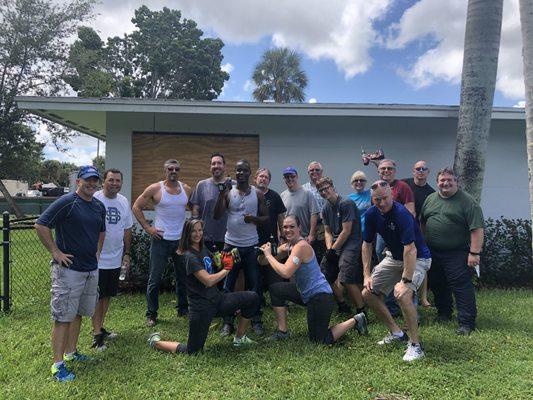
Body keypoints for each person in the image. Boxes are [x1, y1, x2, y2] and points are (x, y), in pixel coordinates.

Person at [35, 165, 106, 381]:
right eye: (87, 180)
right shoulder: (67, 202)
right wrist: (56, 252)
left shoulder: (97, 205)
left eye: (95, 181)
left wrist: (97, 252)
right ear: (78, 182)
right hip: (68, 271)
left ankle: (71, 353)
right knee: (63, 316)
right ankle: (58, 365)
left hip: (89, 269)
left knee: (77, 313)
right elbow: (41, 225)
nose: (91, 184)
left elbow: (102, 230)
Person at [147, 219, 260, 354]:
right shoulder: (189, 256)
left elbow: (216, 262)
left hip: (217, 300)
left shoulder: (202, 248)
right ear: (187, 234)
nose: (197, 234)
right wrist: (228, 269)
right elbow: (208, 281)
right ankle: (155, 342)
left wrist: (224, 258)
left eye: (200, 230)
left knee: (252, 298)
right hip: (201, 308)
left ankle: (240, 338)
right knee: (193, 351)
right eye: (193, 231)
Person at [261, 215, 368, 344]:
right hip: (304, 292)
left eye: (292, 227)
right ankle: (283, 332)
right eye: (285, 227)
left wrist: (269, 255)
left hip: (320, 296)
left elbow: (285, 272)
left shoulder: (301, 247)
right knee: (276, 290)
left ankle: (356, 320)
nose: (288, 230)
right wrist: (264, 252)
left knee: (319, 340)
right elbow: (263, 263)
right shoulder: (288, 246)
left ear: (299, 228)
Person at [361, 180, 432, 362]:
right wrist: (367, 275)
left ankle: (416, 345)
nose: (382, 203)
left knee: (403, 295)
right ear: (372, 199)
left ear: (391, 195)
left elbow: (411, 249)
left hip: (418, 257)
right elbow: (366, 244)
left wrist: (405, 281)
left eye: (385, 198)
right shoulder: (370, 215)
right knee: (367, 293)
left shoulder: (402, 214)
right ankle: (396, 332)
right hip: (395, 257)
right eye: (377, 200)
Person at [420, 168, 484, 335]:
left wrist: (474, 253)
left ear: (457, 182)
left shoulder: (467, 201)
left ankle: (466, 322)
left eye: (450, 180)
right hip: (433, 251)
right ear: (437, 182)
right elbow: (423, 222)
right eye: (442, 180)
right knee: (438, 282)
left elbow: (477, 229)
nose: (445, 183)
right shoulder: (430, 199)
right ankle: (444, 313)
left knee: (461, 286)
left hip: (457, 251)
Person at [132, 159, 192, 327]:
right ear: (165, 171)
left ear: (179, 171)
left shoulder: (186, 189)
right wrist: (147, 228)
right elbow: (136, 207)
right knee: (154, 279)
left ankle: (183, 309)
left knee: (182, 277)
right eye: (170, 169)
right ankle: (151, 314)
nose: (173, 171)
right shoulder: (155, 189)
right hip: (160, 240)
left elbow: (195, 207)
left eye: (176, 169)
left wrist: (192, 226)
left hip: (180, 241)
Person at [214, 160, 269, 336]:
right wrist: (222, 193)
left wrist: (253, 219)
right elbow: (217, 215)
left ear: (250, 172)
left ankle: (256, 320)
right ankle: (227, 322)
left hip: (251, 245)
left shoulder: (258, 194)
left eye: (245, 170)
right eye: (239, 170)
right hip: (231, 245)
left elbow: (266, 218)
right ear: (235, 172)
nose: (241, 173)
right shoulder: (229, 193)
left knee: (255, 284)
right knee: (228, 283)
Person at [91, 168, 133, 351]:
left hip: (115, 258)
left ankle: (100, 326)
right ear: (103, 182)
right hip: (97, 258)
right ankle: (96, 335)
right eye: (111, 180)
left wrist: (127, 253)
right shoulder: (94, 199)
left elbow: (127, 229)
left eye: (118, 180)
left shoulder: (123, 201)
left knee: (107, 294)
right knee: (96, 296)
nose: (115, 183)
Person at [316, 177, 365, 316]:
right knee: (324, 273)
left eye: (326, 188)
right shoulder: (325, 208)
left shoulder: (346, 203)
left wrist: (333, 249)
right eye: (321, 191)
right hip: (336, 244)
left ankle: (361, 311)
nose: (324, 192)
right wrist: (329, 249)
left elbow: (346, 231)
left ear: (332, 187)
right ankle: (342, 305)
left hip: (351, 242)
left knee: (345, 276)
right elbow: (327, 231)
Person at [403, 160, 435, 307]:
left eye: (424, 169)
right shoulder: (404, 184)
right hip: (401, 231)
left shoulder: (431, 193)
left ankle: (423, 297)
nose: (420, 171)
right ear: (413, 171)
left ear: (428, 172)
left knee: (422, 263)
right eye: (418, 169)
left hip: (419, 232)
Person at [190, 153, 232, 252]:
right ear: (210, 167)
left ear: (224, 166)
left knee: (227, 267)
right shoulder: (202, 185)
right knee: (206, 266)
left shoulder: (233, 185)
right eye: (213, 164)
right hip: (206, 238)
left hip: (229, 238)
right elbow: (195, 209)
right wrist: (196, 231)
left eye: (219, 163)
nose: (216, 166)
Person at [255, 167, 287, 289]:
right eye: (261, 176)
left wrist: (283, 237)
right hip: (252, 239)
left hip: (270, 240)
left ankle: (275, 294)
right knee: (254, 269)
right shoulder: (249, 194)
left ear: (269, 180)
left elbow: (281, 218)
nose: (263, 179)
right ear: (255, 179)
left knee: (271, 268)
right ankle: (258, 296)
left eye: (266, 177)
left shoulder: (275, 196)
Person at [280, 167, 319, 243]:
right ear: (284, 179)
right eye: (287, 177)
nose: (290, 179)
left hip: (304, 238)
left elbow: (314, 215)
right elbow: (281, 218)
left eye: (292, 176)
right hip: (288, 238)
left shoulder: (307, 193)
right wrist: (282, 236)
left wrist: (311, 235)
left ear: (297, 177)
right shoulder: (282, 195)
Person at [302, 161, 327, 261]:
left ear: (322, 171)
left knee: (324, 253)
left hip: (324, 226)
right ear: (308, 173)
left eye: (317, 170)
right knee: (309, 254)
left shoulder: (328, 187)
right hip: (308, 226)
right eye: (311, 170)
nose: (314, 172)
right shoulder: (304, 189)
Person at [348, 170, 371, 235]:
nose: (359, 182)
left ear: (365, 182)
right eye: (356, 180)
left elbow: (383, 182)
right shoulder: (348, 198)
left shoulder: (371, 193)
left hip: (370, 231)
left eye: (361, 180)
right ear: (352, 183)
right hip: (356, 233)